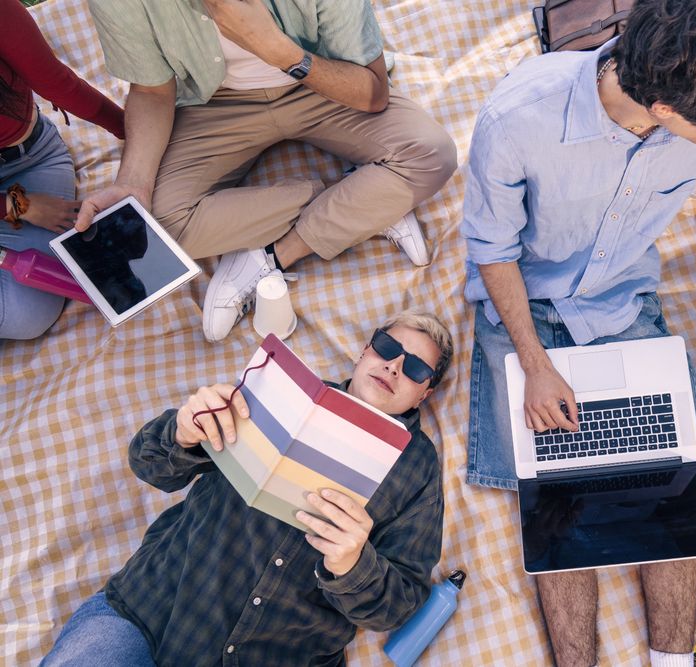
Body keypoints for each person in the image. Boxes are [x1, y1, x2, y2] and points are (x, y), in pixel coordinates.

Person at [459, 1, 696, 664]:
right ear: (666, 107)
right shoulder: (518, 118)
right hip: (522, 308)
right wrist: (535, 364)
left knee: (681, 479)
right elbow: (492, 249)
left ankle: (672, 660)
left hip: (623, 300)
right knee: (555, 492)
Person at [41, 310, 453, 665]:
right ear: (365, 352)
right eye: (386, 347)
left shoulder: (418, 471)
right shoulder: (282, 393)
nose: (394, 366)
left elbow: (399, 607)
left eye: (416, 369)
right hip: (151, 612)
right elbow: (147, 465)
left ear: (425, 394)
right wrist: (184, 432)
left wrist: (351, 563)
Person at [78, 0, 458, 341]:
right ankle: (363, 199)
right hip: (214, 104)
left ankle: (272, 257)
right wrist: (133, 184)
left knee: (431, 154)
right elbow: (151, 90)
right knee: (152, 227)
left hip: (322, 83)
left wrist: (277, 50)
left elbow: (373, 92)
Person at [0, 0, 124, 340]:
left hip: (27, 164)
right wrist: (17, 207)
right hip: (12, 201)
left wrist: (135, 132)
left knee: (28, 314)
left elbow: (58, 84)